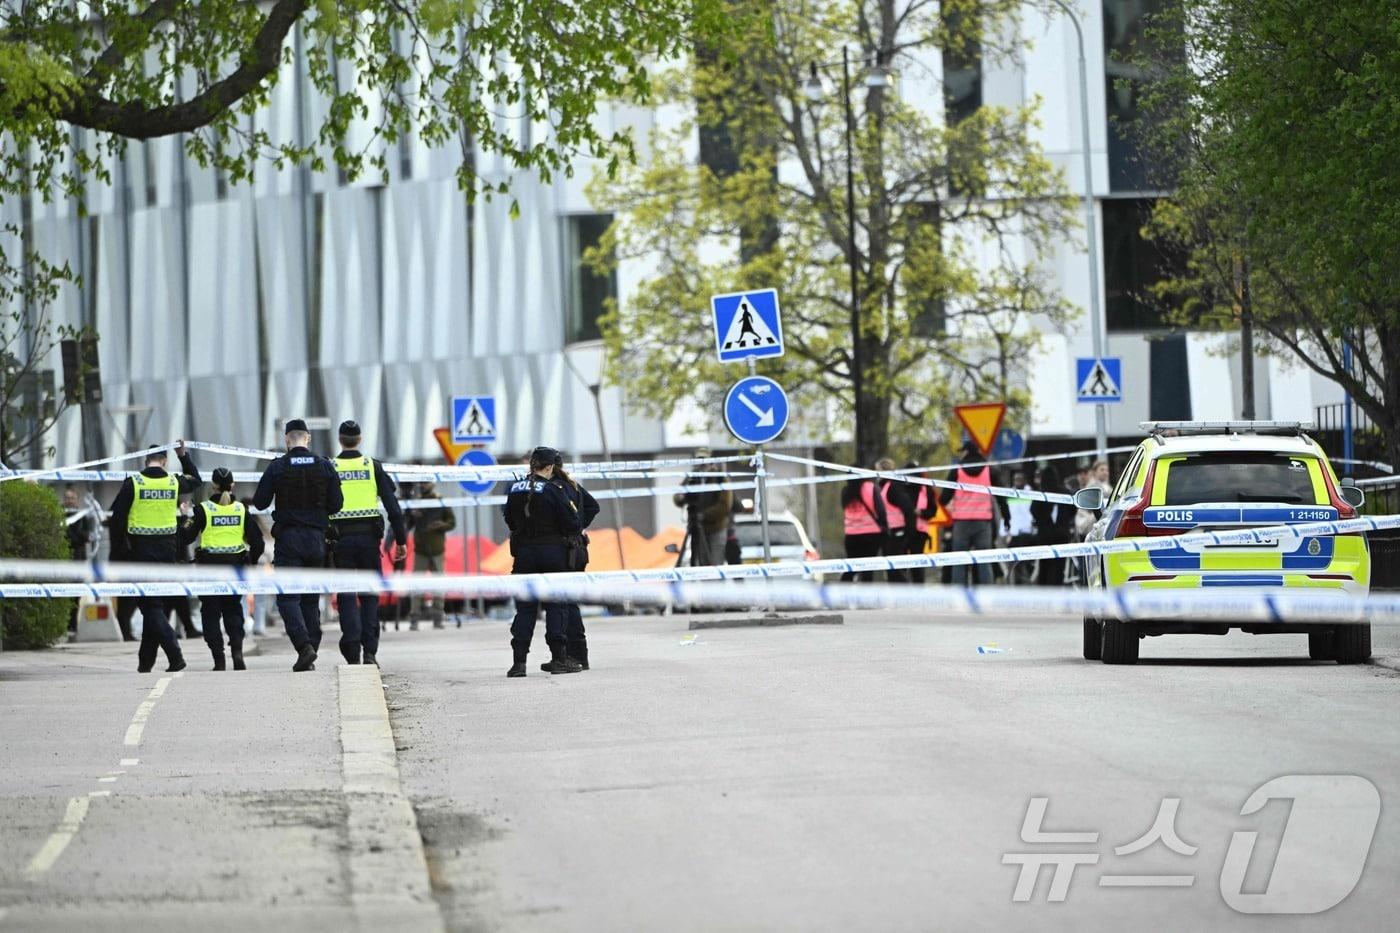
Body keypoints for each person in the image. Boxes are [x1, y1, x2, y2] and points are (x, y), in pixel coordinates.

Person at [252, 419, 343, 672]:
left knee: (288, 597)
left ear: (286, 440)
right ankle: (310, 647)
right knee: (310, 599)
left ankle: (304, 647)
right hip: (316, 540)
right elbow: (337, 505)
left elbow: (260, 503)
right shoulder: (324, 466)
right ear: (308, 438)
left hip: (289, 540)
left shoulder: (278, 467)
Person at [106, 442, 202, 672]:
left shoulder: (134, 483)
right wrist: (184, 455)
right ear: (165, 461)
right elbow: (196, 479)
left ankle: (175, 655)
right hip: (168, 552)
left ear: (145, 460)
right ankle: (145, 663)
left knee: (150, 606)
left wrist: (118, 554)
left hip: (140, 552)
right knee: (154, 604)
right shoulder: (173, 481)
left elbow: (116, 521)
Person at [330, 420, 407, 665]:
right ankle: (370, 651)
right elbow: (393, 507)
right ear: (359, 439)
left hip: (340, 539)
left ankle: (351, 647)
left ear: (340, 439)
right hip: (368, 539)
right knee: (370, 595)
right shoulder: (372, 466)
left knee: (346, 593)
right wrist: (401, 540)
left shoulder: (331, 466)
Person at [504, 446, 584, 677]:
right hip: (553, 554)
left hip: (524, 555)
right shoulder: (553, 489)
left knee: (525, 609)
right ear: (550, 467)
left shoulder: (515, 488)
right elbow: (572, 523)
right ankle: (559, 658)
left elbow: (509, 519)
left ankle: (518, 663)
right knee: (556, 605)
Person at [179, 468, 265, 670]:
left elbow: (186, 537)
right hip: (236, 570)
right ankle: (237, 652)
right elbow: (258, 543)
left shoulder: (203, 510)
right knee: (233, 612)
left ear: (213, 486)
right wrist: (249, 562)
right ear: (233, 485)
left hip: (209, 571)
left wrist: (185, 517)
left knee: (210, 613)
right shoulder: (241, 510)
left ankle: (219, 659)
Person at [547, 453, 600, 671]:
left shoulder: (554, 488)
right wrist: (579, 527)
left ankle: (573, 655)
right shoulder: (573, 485)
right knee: (570, 602)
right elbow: (593, 506)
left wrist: (573, 528)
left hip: (565, 550)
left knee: (564, 604)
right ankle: (580, 655)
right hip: (577, 549)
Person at [938, 441, 1011, 586]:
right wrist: (1006, 517)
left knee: (959, 561)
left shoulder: (956, 471)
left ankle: (959, 594)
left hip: (961, 523)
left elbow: (943, 498)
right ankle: (985, 594)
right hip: (983, 523)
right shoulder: (989, 471)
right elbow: (1002, 497)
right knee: (984, 561)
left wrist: (951, 507)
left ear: (966, 452)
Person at [408, 482, 455, 630]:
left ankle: (438, 617)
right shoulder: (417, 501)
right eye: (422, 482)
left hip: (437, 550)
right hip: (420, 549)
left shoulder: (439, 501)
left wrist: (440, 525)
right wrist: (412, 514)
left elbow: (452, 522)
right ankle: (414, 617)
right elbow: (407, 524)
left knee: (438, 585)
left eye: (426, 483)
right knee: (417, 585)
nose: (423, 485)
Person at [673, 450, 731, 566]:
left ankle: (714, 583)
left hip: (716, 528)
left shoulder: (719, 478)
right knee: (700, 564)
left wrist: (704, 514)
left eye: (704, 461)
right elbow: (678, 497)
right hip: (696, 527)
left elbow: (724, 506)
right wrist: (680, 497)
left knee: (714, 564)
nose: (701, 465)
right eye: (698, 461)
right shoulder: (692, 478)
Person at [839, 467, 887, 583]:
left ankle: (840, 593)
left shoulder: (845, 491)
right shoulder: (871, 487)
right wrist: (884, 526)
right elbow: (880, 510)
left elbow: (844, 508)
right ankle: (866, 597)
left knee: (851, 567)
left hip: (851, 535)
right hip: (871, 535)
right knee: (867, 570)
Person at [1031, 465, 1075, 586]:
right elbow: (1073, 510)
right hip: (1062, 535)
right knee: (1059, 567)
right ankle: (1058, 590)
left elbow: (1033, 511)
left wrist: (1041, 522)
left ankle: (1045, 592)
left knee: (1044, 567)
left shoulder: (1039, 495)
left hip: (1044, 536)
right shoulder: (1066, 493)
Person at [875, 457, 917, 583]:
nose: (876, 474)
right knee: (892, 568)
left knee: (896, 569)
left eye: (877, 470)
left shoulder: (893, 487)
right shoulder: (886, 486)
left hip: (899, 531)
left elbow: (908, 508)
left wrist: (910, 532)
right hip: (891, 531)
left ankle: (904, 596)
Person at [62, 485, 94, 560]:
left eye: (72, 498)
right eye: (67, 498)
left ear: (77, 500)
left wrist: (79, 533)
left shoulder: (82, 515)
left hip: (79, 555)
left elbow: (88, 536)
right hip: (63, 554)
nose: (70, 501)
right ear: (64, 499)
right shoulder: (59, 514)